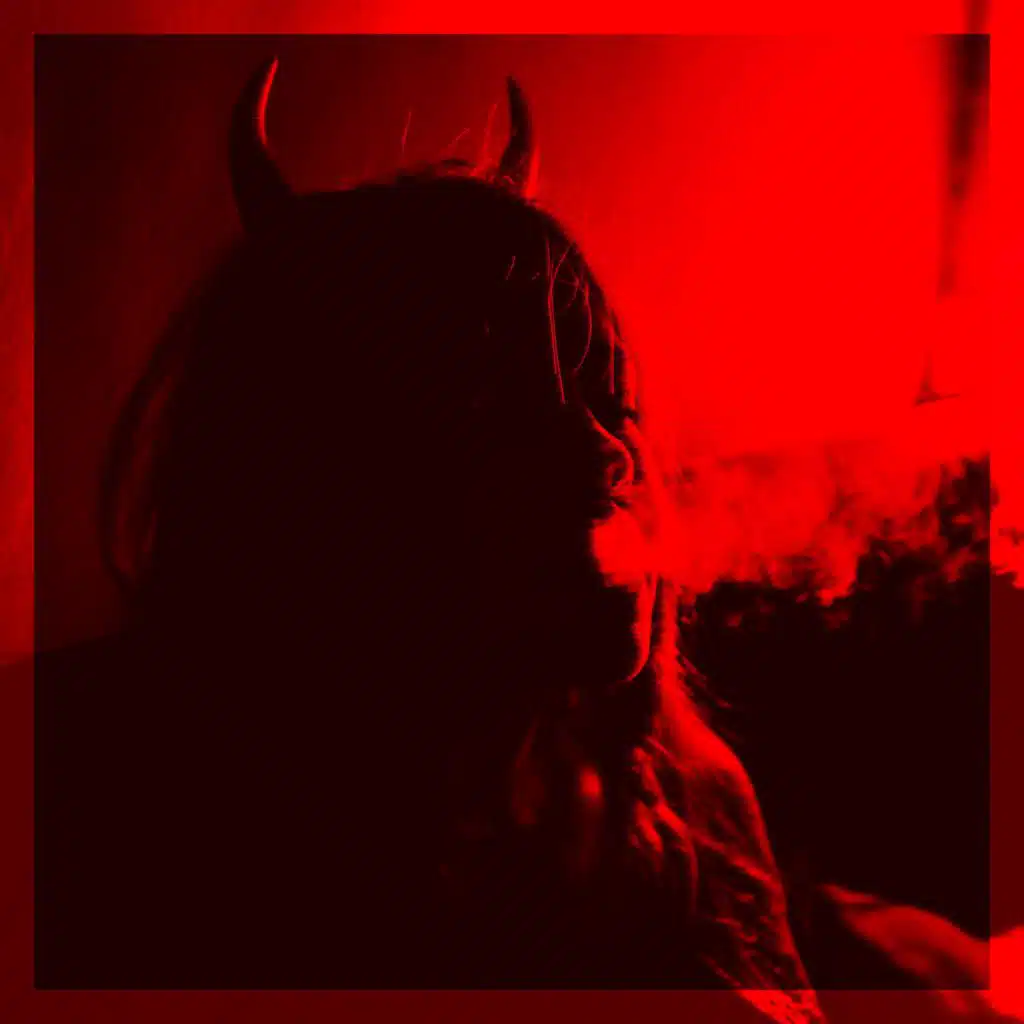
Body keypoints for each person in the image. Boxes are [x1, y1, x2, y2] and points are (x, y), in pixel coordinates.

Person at [34, 59, 821, 1019]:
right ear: (331, 479)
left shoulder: (685, 792)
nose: (605, 452)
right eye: (501, 410)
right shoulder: (99, 810)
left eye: (608, 401)